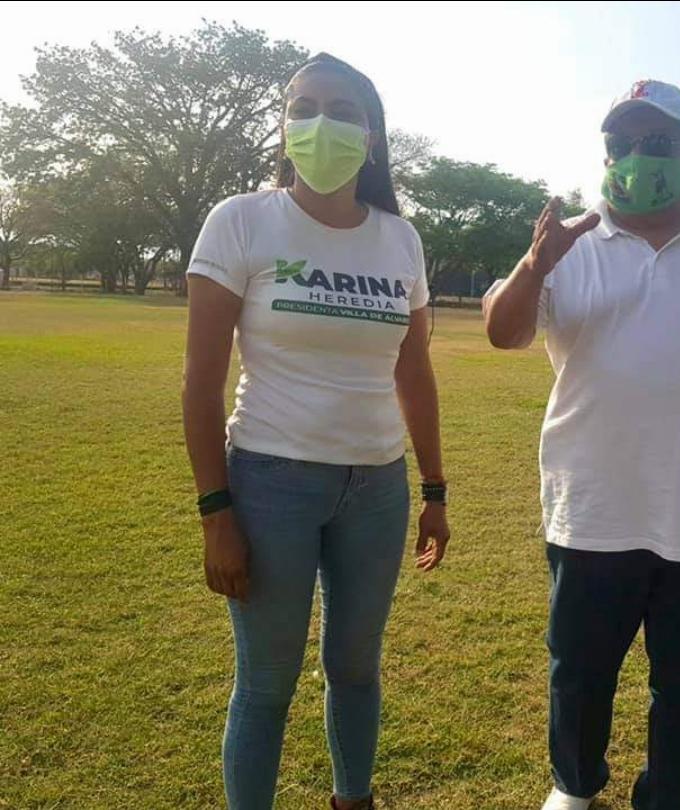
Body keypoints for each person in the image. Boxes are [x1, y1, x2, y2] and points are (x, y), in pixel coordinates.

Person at [484, 80, 680, 810]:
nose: (638, 154)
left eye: (657, 142)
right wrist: (537, 263)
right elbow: (503, 332)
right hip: (593, 504)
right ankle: (574, 786)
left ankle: (672, 797)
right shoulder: (570, 239)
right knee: (579, 670)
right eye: (621, 142)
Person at [182, 53, 451, 810]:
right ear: (284, 127)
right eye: (302, 108)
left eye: (341, 110)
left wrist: (434, 489)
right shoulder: (241, 220)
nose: (319, 124)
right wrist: (216, 513)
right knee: (267, 684)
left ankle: (353, 799)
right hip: (271, 483)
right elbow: (200, 383)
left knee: (357, 669)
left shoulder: (400, 239)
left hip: (377, 487)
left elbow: (415, 373)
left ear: (371, 136)